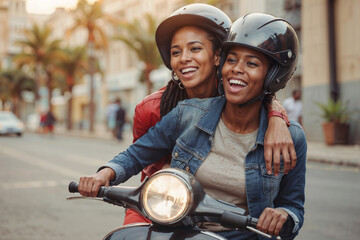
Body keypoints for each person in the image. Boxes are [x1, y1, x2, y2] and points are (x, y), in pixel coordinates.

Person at [78, 13, 306, 240]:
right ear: (222, 63)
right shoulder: (185, 112)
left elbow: (293, 207)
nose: (236, 69)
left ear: (273, 76)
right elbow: (136, 156)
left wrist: (282, 216)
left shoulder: (291, 136)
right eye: (232, 59)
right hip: (179, 228)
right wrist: (104, 174)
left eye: (252, 63)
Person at [125, 3, 296, 225]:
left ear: (219, 57)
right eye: (176, 52)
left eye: (195, 49)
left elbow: (262, 94)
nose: (184, 58)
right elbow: (144, 167)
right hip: (164, 205)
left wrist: (276, 116)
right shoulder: (150, 109)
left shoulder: (236, 98)